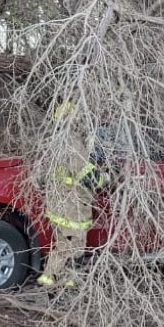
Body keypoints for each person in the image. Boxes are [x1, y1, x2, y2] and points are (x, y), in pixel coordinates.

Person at [37, 102, 109, 288]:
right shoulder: (74, 144)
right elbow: (89, 178)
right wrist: (108, 177)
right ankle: (61, 281)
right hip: (73, 206)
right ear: (75, 120)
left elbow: (41, 177)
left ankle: (56, 278)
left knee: (64, 244)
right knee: (75, 245)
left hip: (57, 205)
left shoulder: (53, 143)